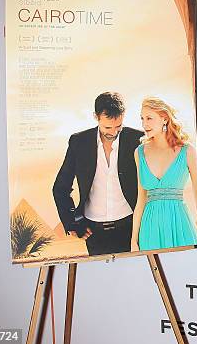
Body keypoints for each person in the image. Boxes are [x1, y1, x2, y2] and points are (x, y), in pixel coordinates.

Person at [53, 92, 143, 256]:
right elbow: (60, 187)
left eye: (119, 126)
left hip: (130, 227)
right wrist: (72, 222)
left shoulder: (137, 139)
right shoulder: (79, 142)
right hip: (93, 232)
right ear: (96, 117)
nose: (114, 132)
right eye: (108, 127)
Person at [131, 96, 197, 251]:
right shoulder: (139, 152)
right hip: (150, 228)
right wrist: (133, 240)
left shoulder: (187, 150)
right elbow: (140, 200)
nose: (144, 124)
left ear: (164, 119)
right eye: (142, 119)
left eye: (149, 118)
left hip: (180, 223)